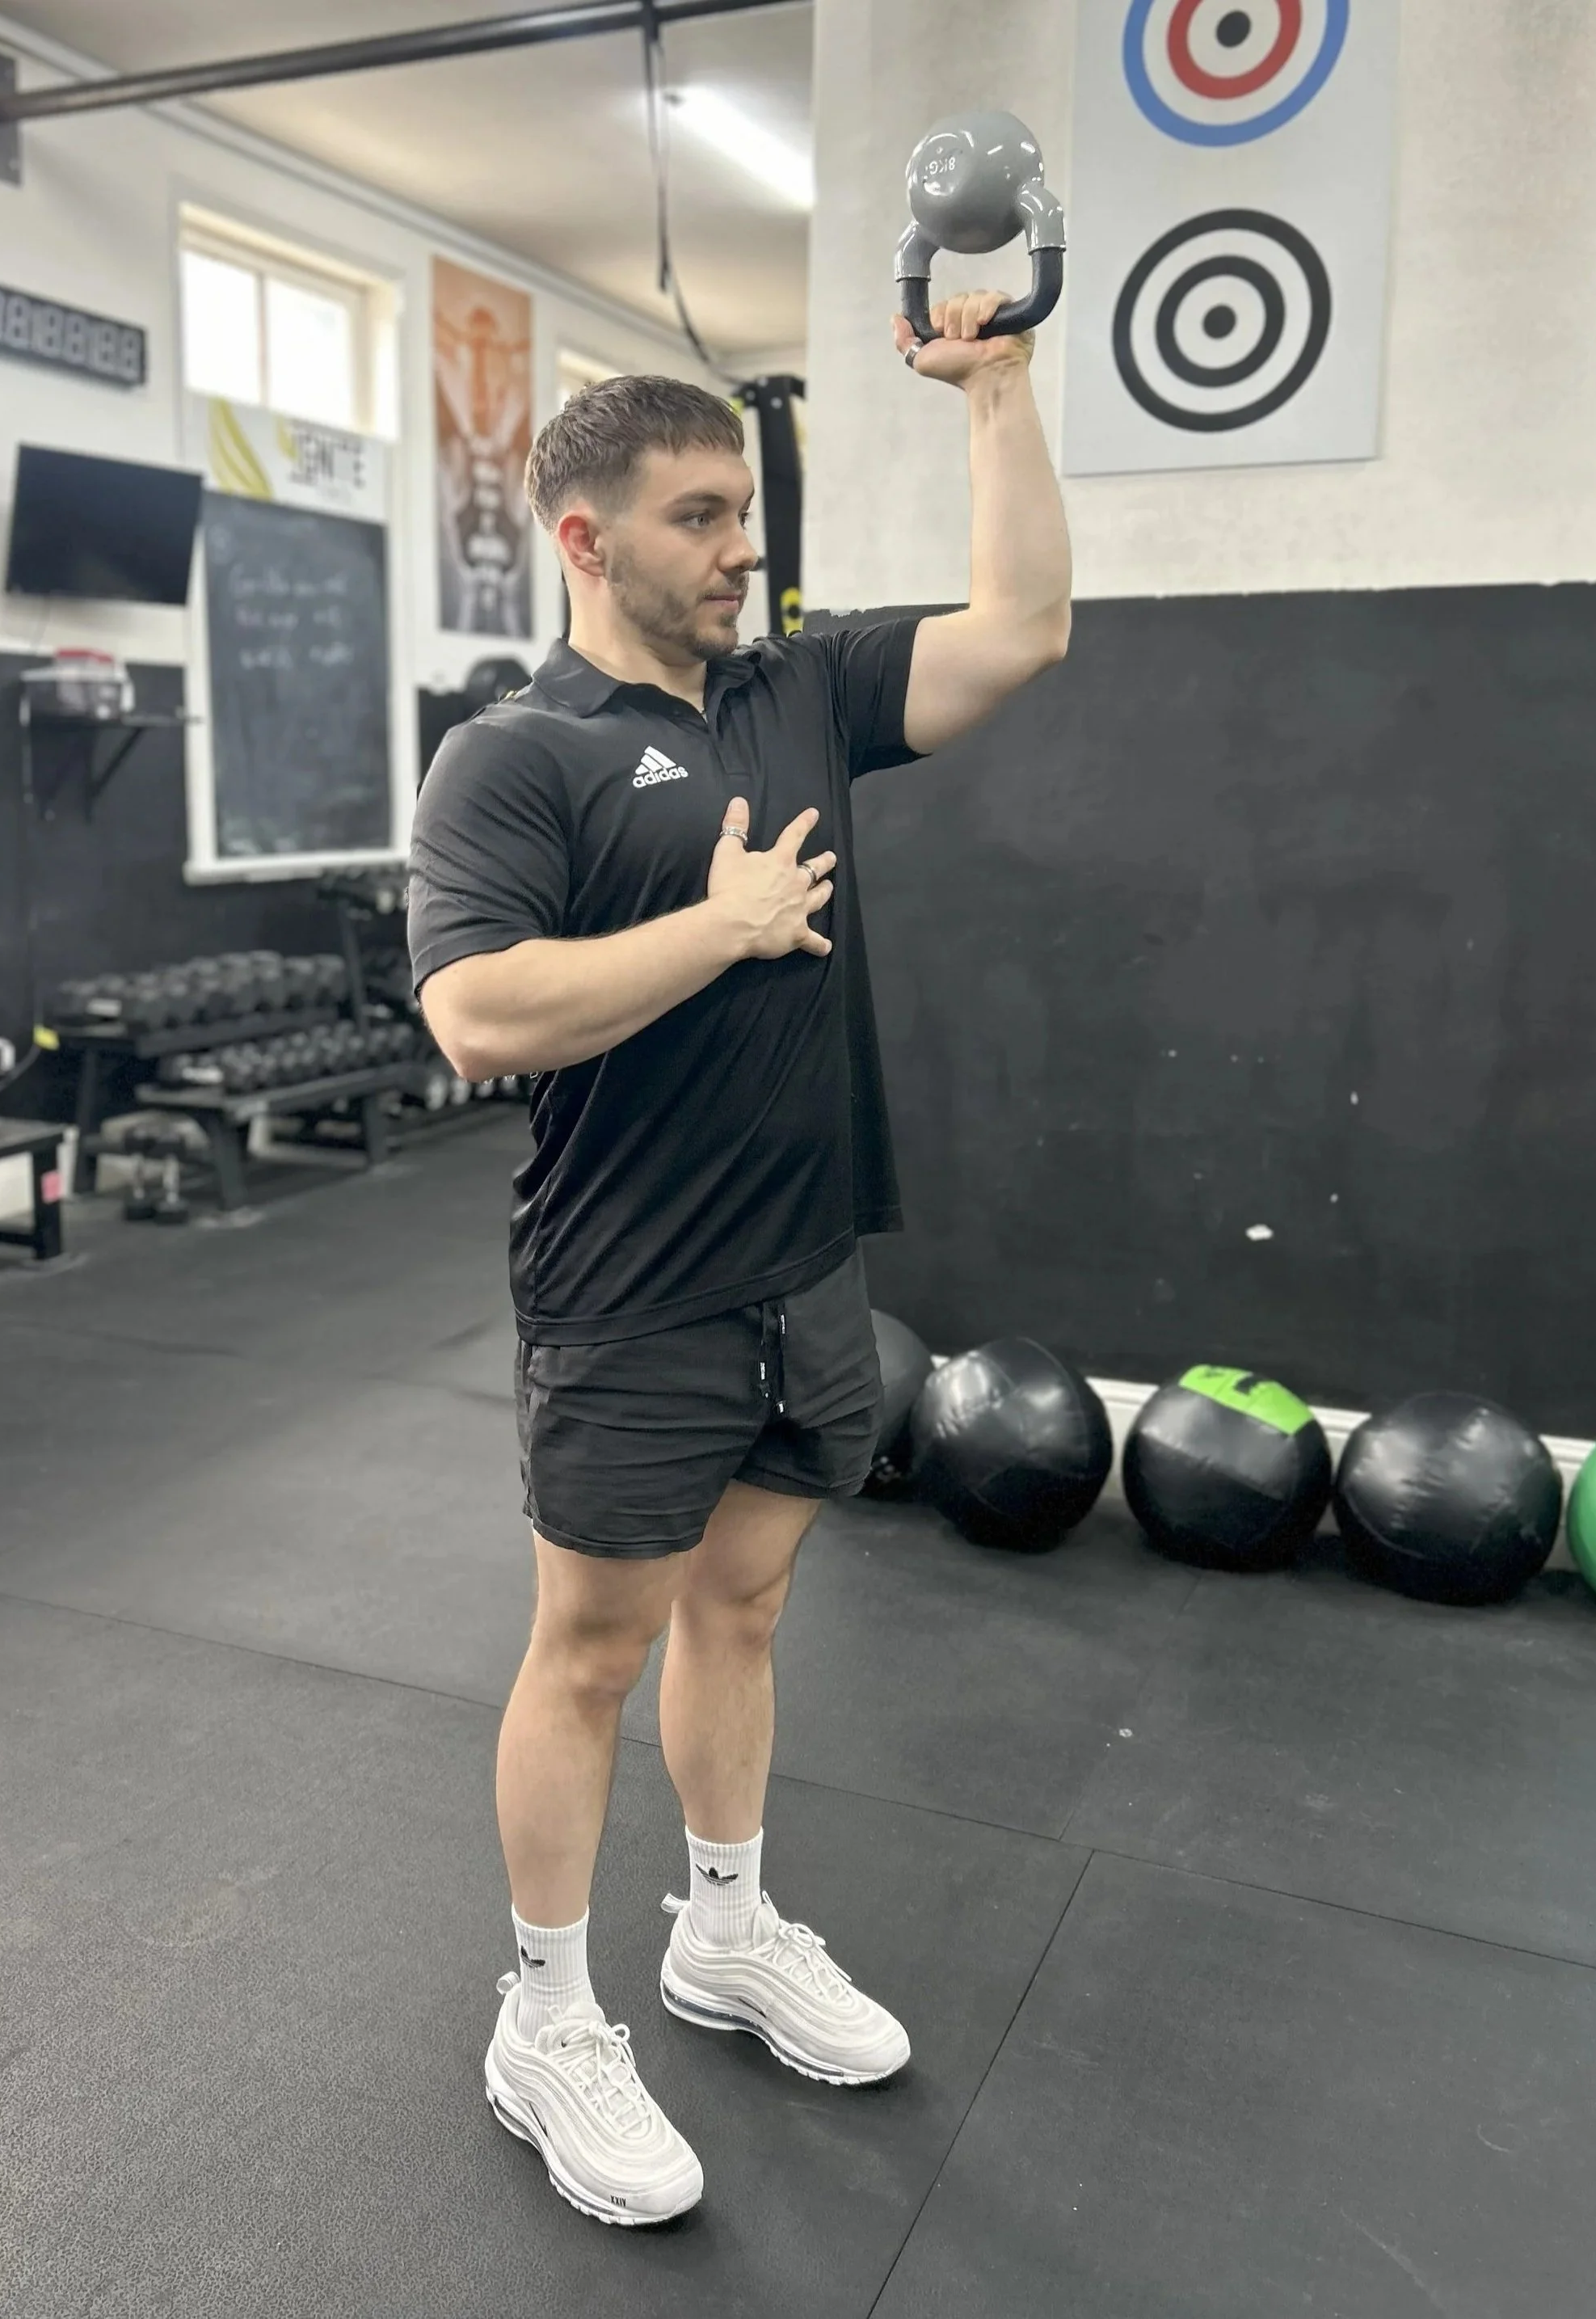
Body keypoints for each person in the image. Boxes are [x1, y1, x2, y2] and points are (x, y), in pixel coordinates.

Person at [406, 290, 1072, 2227]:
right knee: (590, 1650)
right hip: (628, 1289)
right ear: (587, 536)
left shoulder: (793, 686)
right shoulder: (513, 759)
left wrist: (1000, 393)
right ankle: (544, 2015)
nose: (743, 548)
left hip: (800, 1263)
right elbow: (478, 1016)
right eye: (701, 517)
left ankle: (724, 1927)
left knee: (746, 1612)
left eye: (744, 513)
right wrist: (713, 928)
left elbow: (1020, 628)